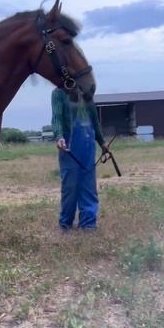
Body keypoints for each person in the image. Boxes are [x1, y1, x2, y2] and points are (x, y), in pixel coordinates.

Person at [51, 87, 109, 232]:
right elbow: (57, 117)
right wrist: (59, 137)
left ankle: (88, 224)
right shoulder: (58, 93)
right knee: (70, 187)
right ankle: (66, 224)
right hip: (70, 143)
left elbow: (95, 120)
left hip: (88, 142)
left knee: (88, 186)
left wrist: (102, 142)